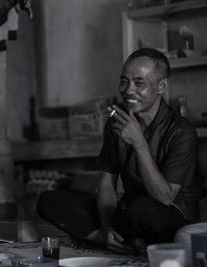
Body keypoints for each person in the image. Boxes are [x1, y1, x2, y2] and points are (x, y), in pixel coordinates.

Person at [37, 48, 202, 255]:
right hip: (129, 212)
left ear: (161, 86)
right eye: (124, 81)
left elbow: (165, 197)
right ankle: (112, 241)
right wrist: (106, 228)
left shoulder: (181, 131)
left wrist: (139, 143)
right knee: (50, 201)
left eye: (139, 83)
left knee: (142, 209)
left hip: (168, 216)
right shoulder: (116, 123)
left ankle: (129, 241)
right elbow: (107, 183)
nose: (128, 90)